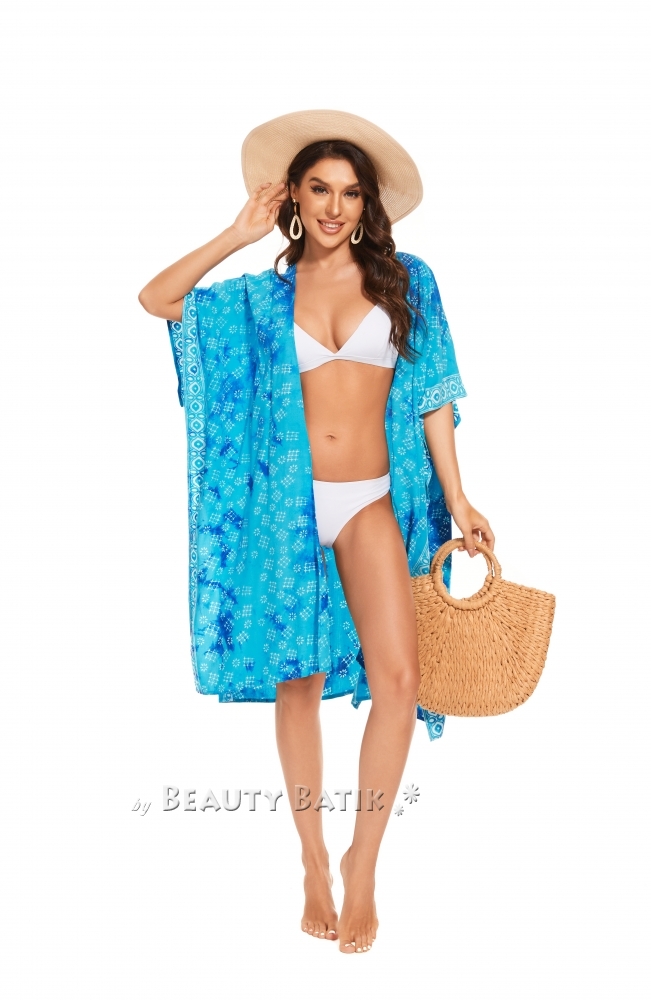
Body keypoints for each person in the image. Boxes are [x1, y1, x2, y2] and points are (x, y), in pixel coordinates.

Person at [139, 110, 494, 954]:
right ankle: (310, 860)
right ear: (292, 197)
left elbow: (434, 394)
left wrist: (460, 498)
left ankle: (362, 863)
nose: (334, 207)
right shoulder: (260, 299)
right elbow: (159, 300)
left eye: (350, 193)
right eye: (319, 190)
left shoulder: (406, 281)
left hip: (372, 499)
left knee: (398, 679)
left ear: (367, 204)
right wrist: (237, 234)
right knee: (296, 684)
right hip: (286, 507)